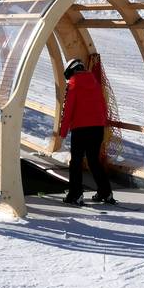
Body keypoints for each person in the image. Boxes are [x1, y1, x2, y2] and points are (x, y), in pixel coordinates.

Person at [59, 57, 115, 206]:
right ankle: (105, 192)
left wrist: (63, 132)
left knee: (76, 162)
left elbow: (67, 110)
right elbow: (103, 107)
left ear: (71, 71)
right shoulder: (95, 83)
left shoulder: (73, 84)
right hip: (97, 129)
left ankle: (75, 194)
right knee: (93, 160)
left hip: (80, 129)